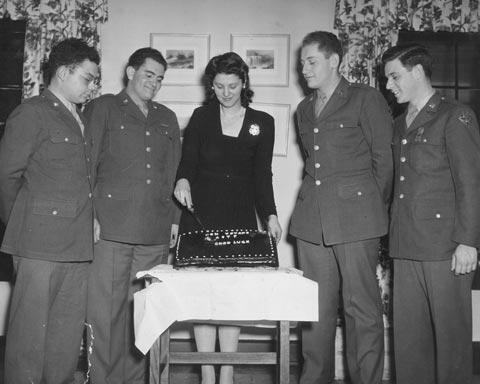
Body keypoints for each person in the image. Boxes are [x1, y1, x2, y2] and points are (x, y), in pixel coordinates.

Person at [289, 31, 393, 384]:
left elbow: (384, 160)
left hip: (357, 221)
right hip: (310, 224)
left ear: (334, 61)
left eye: (311, 61)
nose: (304, 69)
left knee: (360, 310)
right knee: (315, 313)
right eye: (302, 62)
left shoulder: (366, 99)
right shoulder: (303, 109)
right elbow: (314, 164)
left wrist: (367, 209)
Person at [174, 51, 282, 384]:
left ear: (244, 83)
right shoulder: (202, 117)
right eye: (219, 86)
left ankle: (228, 373)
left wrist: (271, 215)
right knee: (204, 293)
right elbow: (187, 162)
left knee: (231, 294)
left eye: (232, 86)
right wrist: (181, 180)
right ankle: (208, 374)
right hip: (201, 215)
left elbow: (263, 175)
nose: (225, 93)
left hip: (239, 215)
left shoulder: (262, 122)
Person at [0, 38, 99, 384]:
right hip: (38, 245)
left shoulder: (79, 117)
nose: (92, 86)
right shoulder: (32, 112)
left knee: (64, 341)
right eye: (87, 78)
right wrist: (26, 223)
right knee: (28, 343)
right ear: (62, 72)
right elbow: (5, 176)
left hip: (76, 245)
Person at [382, 44, 480, 384]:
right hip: (405, 245)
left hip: (445, 250)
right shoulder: (397, 124)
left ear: (418, 72)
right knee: (409, 345)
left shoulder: (455, 116)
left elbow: (471, 182)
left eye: (395, 76)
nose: (389, 85)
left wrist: (468, 241)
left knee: (451, 346)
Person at [84, 47, 181, 384]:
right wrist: (89, 216)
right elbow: (87, 165)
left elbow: (172, 174)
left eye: (159, 78)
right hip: (110, 229)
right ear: (130, 72)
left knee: (144, 315)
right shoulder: (104, 108)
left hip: (154, 230)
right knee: (106, 314)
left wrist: (174, 221)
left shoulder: (166, 117)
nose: (154, 82)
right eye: (148, 74)